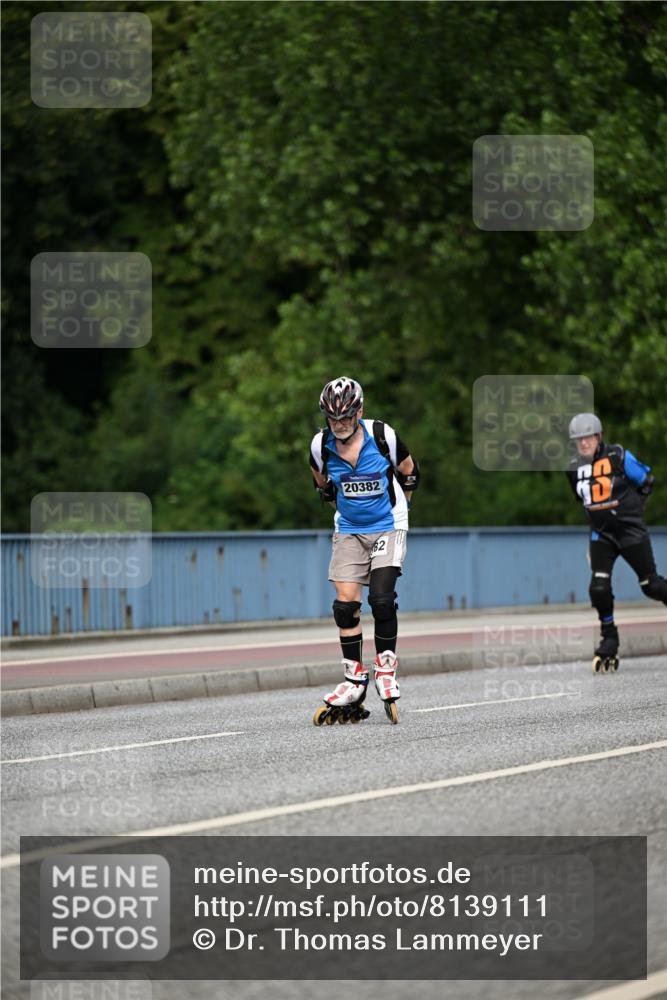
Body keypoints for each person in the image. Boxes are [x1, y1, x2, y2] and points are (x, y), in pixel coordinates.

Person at [309, 376, 419, 724]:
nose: (339, 426)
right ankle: (354, 679)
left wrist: (400, 513)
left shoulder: (383, 435)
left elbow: (410, 473)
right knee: (345, 606)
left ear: (360, 412)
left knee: (382, 599)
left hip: (389, 523)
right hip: (350, 529)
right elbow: (324, 489)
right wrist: (348, 517)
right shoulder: (320, 445)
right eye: (333, 419)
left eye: (346, 418)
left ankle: (385, 668)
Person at [566, 413, 667, 671]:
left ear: (598, 436)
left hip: (631, 532)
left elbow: (646, 481)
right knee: (598, 587)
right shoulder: (573, 468)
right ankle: (609, 638)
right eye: (578, 440)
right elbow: (585, 500)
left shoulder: (618, 455)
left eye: (588, 437)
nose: (584, 443)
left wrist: (635, 511)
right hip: (602, 535)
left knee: (651, 585)